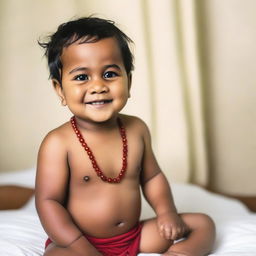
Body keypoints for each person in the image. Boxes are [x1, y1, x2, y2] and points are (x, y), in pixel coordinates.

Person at [35, 16, 215, 256]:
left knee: (203, 224)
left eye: (109, 74)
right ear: (60, 90)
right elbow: (49, 203)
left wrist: (167, 213)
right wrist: (80, 246)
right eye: (81, 77)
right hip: (80, 242)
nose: (98, 86)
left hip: (134, 237)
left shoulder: (136, 129)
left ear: (128, 82)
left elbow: (152, 178)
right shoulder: (58, 143)